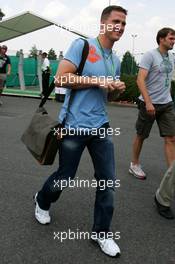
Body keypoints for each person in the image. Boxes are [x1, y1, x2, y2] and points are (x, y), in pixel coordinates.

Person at [34, 5, 127, 257]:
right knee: (65, 176)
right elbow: (60, 79)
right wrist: (97, 81)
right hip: (73, 125)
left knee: (107, 181)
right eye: (116, 21)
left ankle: (101, 233)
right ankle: (42, 200)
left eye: (123, 23)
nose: (120, 27)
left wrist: (116, 88)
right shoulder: (83, 46)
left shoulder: (115, 60)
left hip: (101, 126)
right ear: (103, 23)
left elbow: (104, 94)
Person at [129, 28, 175, 180]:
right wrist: (148, 102)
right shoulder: (150, 55)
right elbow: (140, 79)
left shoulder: (172, 57)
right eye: (171, 38)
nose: (173, 41)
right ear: (161, 39)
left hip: (166, 103)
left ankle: (172, 174)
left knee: (171, 138)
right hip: (148, 103)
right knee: (141, 135)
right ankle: (134, 164)